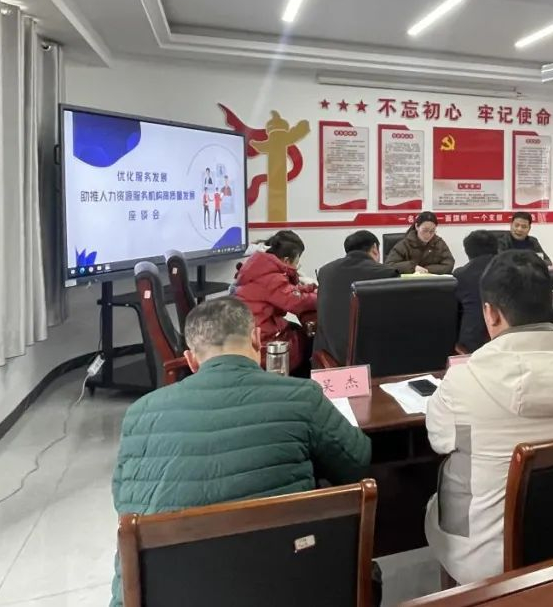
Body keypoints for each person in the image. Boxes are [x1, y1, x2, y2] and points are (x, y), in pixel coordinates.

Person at [110, 297, 370, 607]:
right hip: (290, 589)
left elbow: (123, 499)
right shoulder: (301, 396)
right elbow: (357, 462)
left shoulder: (139, 414)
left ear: (191, 360)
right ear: (257, 340)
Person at [424, 251, 553, 585]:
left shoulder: (464, 381)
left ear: (490, 312)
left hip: (488, 558)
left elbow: (439, 440)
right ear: (551, 300)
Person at [234, 231, 318, 372]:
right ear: (286, 260)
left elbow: (288, 291)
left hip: (254, 331)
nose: (297, 266)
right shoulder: (271, 278)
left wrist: (309, 288)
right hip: (262, 341)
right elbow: (296, 302)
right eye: (297, 262)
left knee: (298, 330)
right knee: (309, 342)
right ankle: (303, 380)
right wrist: (322, 296)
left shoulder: (260, 267)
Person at [314, 230, 399, 365]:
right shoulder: (386, 273)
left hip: (327, 356)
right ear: (375, 248)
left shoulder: (325, 271)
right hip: (368, 361)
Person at [454, 230, 501, 353]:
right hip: (507, 339)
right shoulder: (510, 269)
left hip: (472, 343)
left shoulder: (461, 274)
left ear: (468, 251)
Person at [384, 211, 455, 274]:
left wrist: (427, 270)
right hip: (409, 283)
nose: (428, 235)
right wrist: (413, 267)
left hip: (432, 282)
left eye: (432, 231)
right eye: (425, 230)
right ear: (417, 226)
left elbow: (449, 264)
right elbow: (389, 265)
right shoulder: (405, 244)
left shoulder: (439, 243)